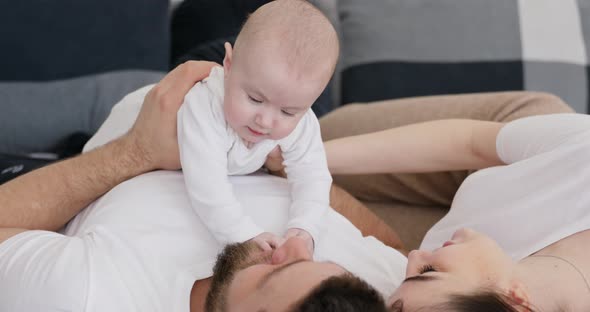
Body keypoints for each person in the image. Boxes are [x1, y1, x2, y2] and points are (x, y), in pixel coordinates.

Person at [0, 62, 575, 310]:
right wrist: (297, 164)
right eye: (311, 256)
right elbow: (387, 247)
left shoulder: (87, 292)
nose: (285, 246)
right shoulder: (378, 287)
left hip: (103, 145)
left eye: (274, 270)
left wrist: (136, 153)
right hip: (268, 135)